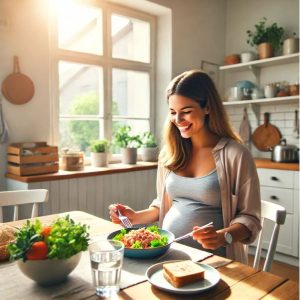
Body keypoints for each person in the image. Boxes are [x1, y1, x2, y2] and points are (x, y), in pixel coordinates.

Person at [109, 69, 261, 263]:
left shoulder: (235, 154)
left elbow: (251, 218)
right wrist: (135, 216)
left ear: (207, 107)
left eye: (187, 112)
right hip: (169, 256)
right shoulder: (170, 154)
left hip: (217, 261)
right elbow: (164, 204)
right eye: (173, 112)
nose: (178, 120)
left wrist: (222, 236)